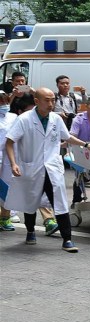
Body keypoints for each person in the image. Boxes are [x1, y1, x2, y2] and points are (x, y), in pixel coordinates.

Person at [5, 88, 90, 252]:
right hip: (32, 167)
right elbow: (10, 142)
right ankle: (31, 231)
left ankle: (67, 239)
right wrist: (13, 163)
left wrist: (85, 144)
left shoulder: (56, 119)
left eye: (53, 100)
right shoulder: (24, 119)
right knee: (30, 202)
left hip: (52, 167)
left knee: (60, 203)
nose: (51, 104)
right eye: (47, 100)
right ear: (36, 101)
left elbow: (67, 137)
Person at [0, 90, 18, 231]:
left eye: (5, 101)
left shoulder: (13, 117)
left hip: (8, 156)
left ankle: (5, 218)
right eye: (1, 102)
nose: (4, 104)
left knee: (6, 188)